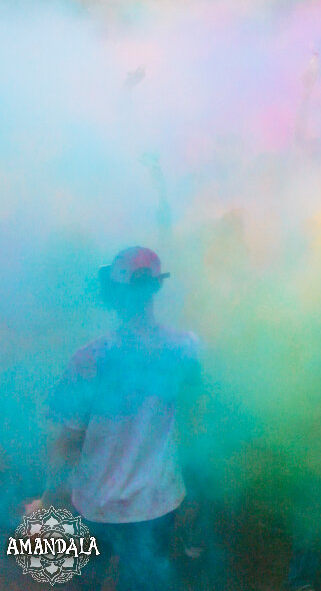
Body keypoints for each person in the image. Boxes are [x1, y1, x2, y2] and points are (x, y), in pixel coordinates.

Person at [44, 246, 202, 591]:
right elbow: (193, 426)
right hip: (156, 502)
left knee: (86, 582)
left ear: (114, 293)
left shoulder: (88, 358)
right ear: (156, 289)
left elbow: (66, 441)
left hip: (94, 505)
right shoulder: (186, 349)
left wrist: (48, 499)